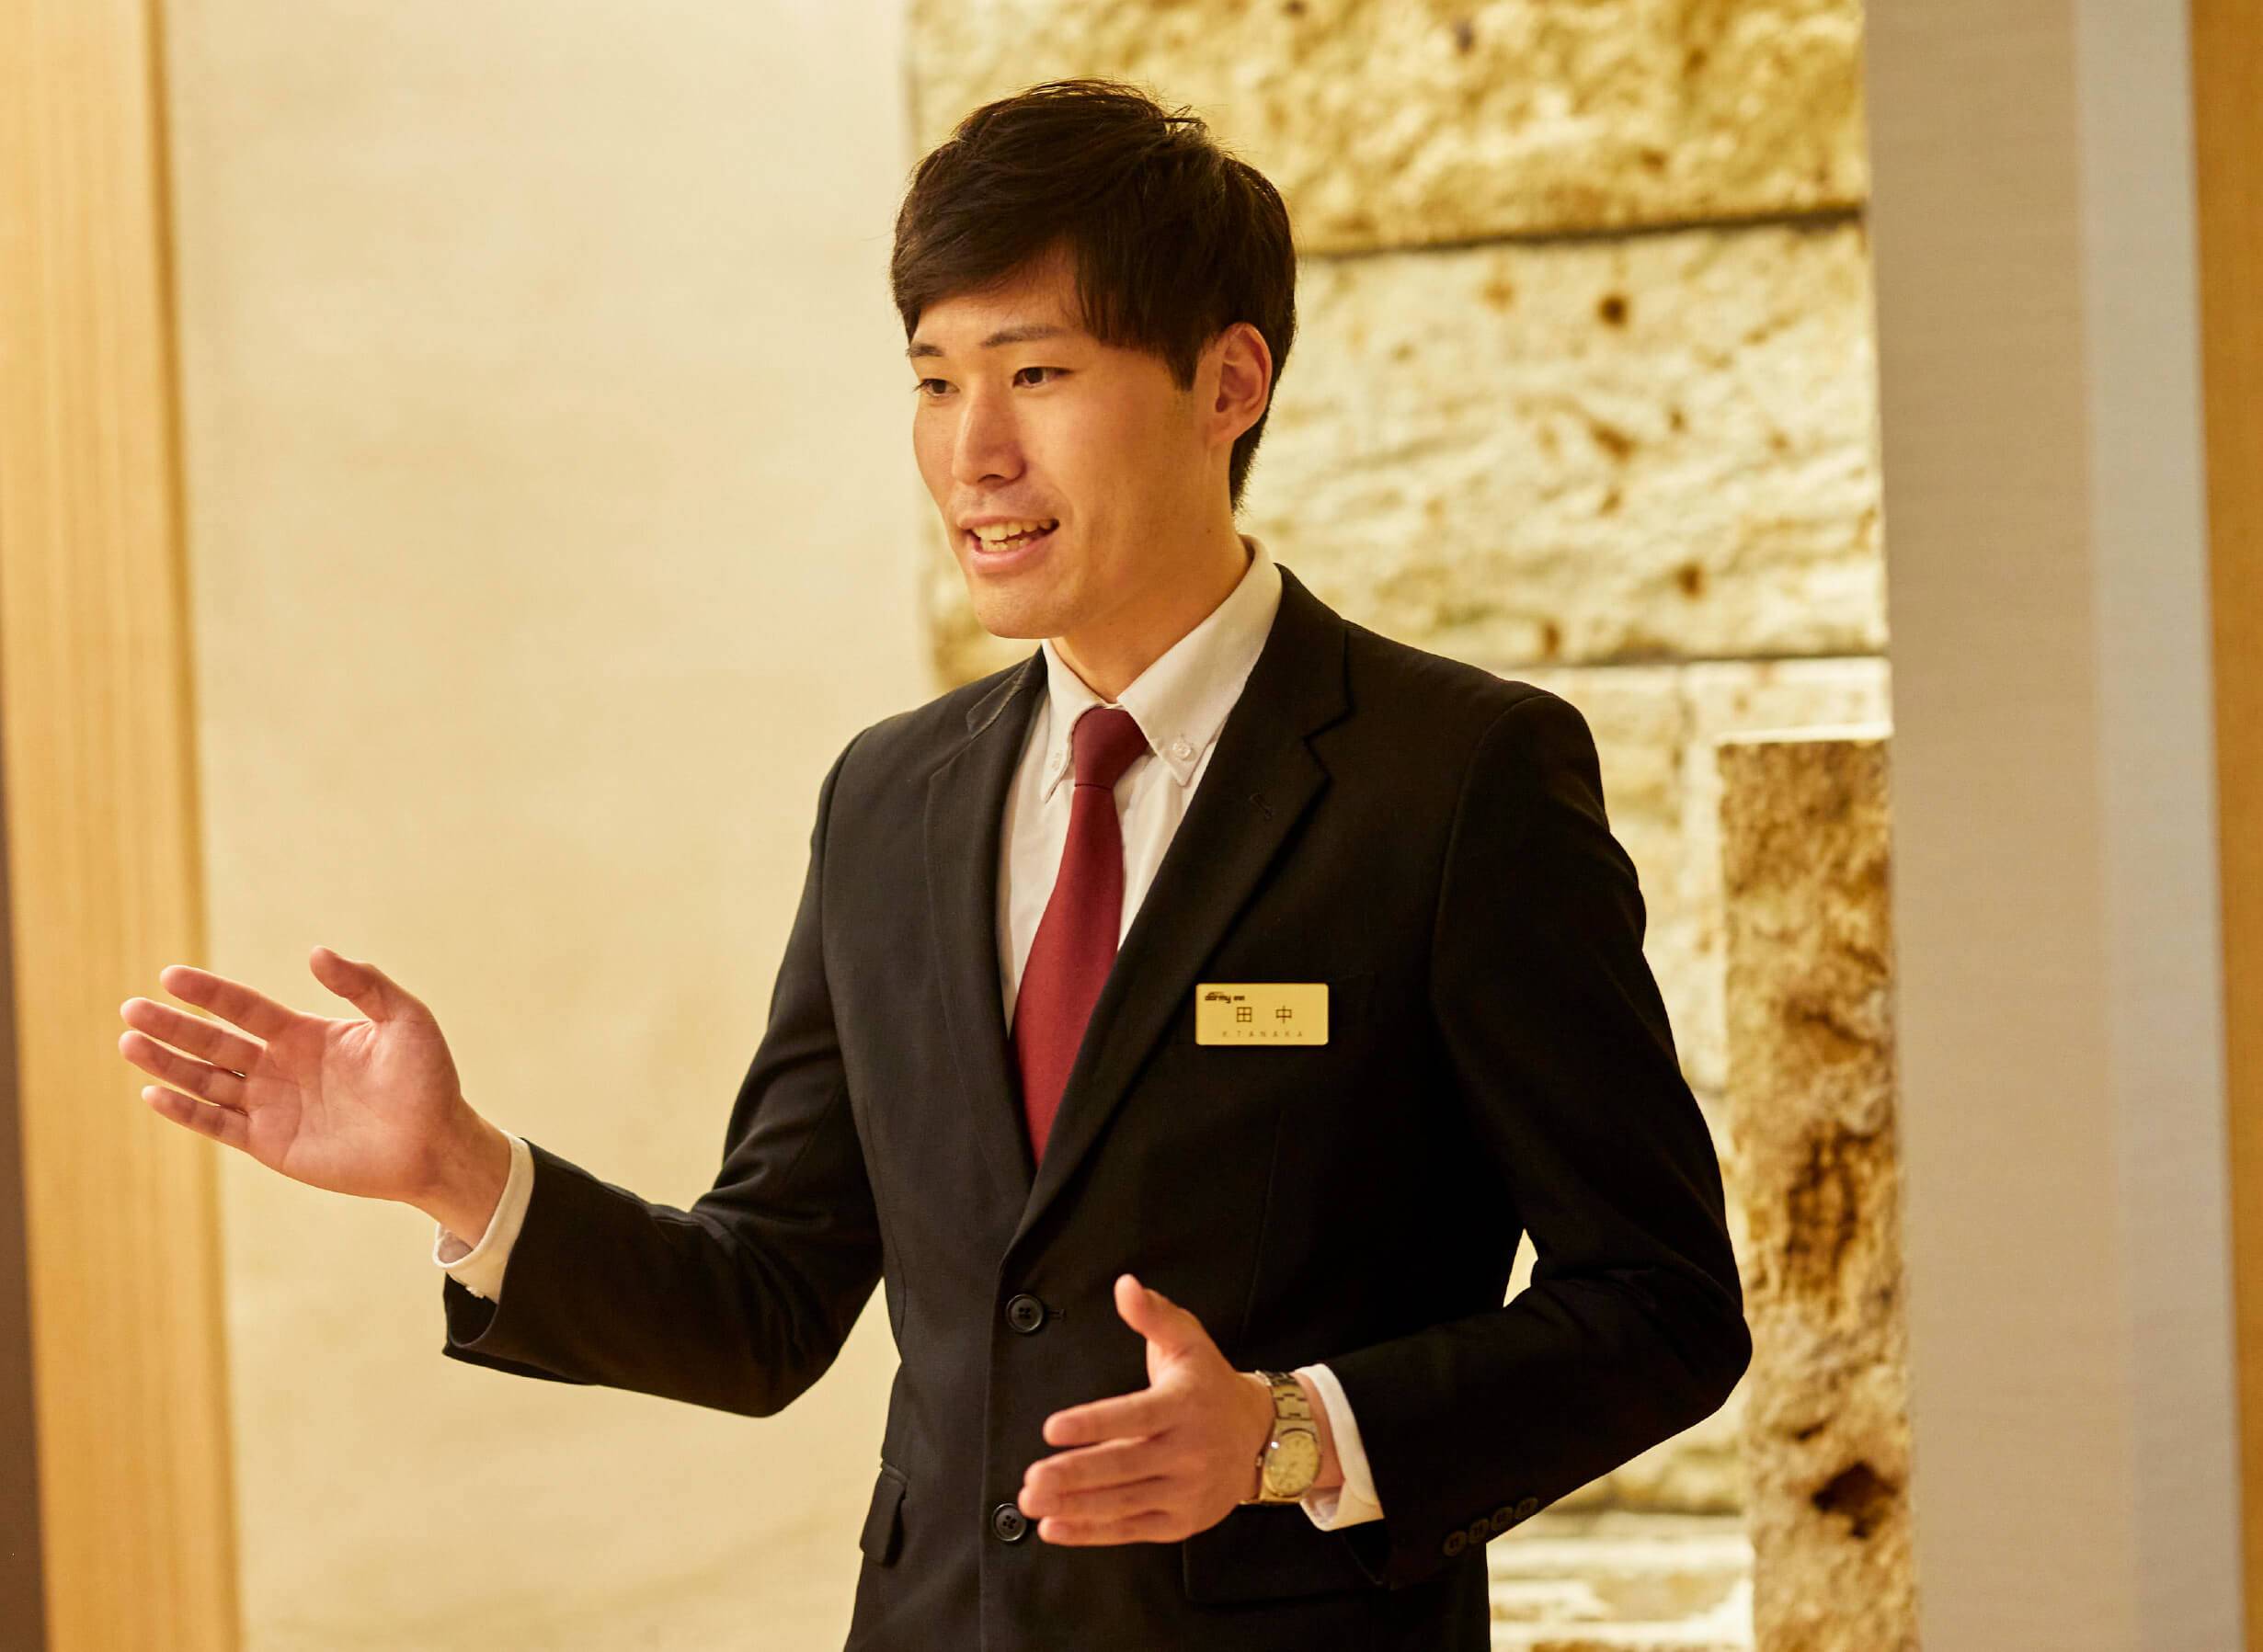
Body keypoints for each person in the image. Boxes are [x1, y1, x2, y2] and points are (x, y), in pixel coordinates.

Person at [116, 78, 1748, 1652]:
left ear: (1228, 383)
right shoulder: (888, 800)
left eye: (1034, 373)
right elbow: (766, 1299)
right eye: (932, 380)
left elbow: (1659, 1303)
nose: (974, 452)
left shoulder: (1455, 779)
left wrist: (1288, 1432)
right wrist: (459, 1170)